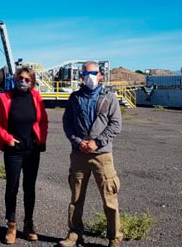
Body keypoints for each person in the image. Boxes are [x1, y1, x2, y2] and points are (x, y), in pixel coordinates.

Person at [59, 61, 123, 247]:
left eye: (94, 73)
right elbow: (67, 124)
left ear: (100, 74)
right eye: (86, 73)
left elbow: (116, 124)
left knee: (109, 198)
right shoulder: (74, 98)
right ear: (81, 76)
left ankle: (114, 238)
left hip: (102, 155)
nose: (90, 77)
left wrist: (97, 142)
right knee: (76, 198)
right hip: (79, 154)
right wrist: (79, 143)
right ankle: (74, 233)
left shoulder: (109, 98)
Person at [0, 67, 49, 244]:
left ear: (32, 82)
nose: (23, 82)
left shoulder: (36, 97)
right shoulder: (6, 98)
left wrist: (41, 139)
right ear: (15, 79)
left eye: (27, 80)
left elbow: (43, 121)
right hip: (13, 151)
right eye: (20, 78)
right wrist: (7, 138)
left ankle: (29, 224)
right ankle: (12, 224)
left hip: (32, 150)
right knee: (12, 187)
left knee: (29, 188)